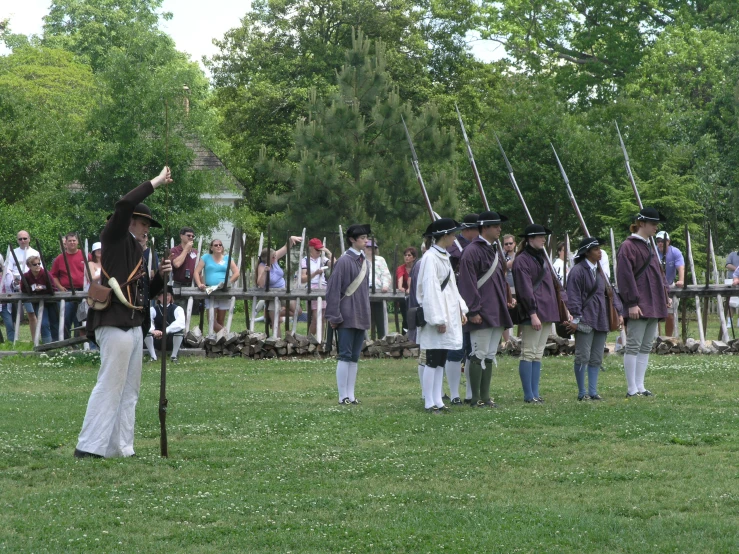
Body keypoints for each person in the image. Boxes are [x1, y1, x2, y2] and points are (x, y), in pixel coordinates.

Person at [74, 166, 172, 459]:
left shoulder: (138, 252)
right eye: (144, 224)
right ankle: (89, 447)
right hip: (113, 323)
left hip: (132, 325)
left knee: (129, 392)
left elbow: (140, 295)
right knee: (109, 386)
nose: (146, 231)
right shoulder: (114, 237)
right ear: (130, 222)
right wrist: (156, 181)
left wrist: (159, 278)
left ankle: (121, 448)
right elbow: (124, 203)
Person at [457, 211, 515, 408]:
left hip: (496, 309)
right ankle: (475, 399)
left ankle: (485, 396)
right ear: (484, 228)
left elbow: (500, 279)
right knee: (478, 354)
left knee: (489, 355)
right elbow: (467, 284)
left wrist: (506, 299)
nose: (499, 229)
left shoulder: (494, 249)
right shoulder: (472, 251)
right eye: (495, 225)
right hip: (481, 311)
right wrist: (473, 311)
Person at [416, 218, 469, 414]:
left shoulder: (443, 256)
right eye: (453, 234)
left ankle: (437, 399)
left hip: (447, 314)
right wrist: (438, 319)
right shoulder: (430, 258)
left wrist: (460, 309)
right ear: (444, 236)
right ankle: (429, 401)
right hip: (437, 317)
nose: (455, 237)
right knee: (432, 359)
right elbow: (430, 291)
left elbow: (452, 288)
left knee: (440, 359)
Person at [617, 207, 670, 398]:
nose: (656, 228)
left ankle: (640, 385)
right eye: (653, 224)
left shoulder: (649, 246)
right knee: (633, 345)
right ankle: (631, 388)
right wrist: (631, 303)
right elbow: (625, 277)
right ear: (642, 224)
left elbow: (658, 275)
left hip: (653, 303)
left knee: (646, 346)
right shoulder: (627, 246)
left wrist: (665, 295)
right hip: (638, 304)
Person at [513, 224, 569, 404]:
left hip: (547, 310)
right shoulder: (522, 260)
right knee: (528, 353)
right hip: (534, 311)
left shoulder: (542, 258)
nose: (543, 239)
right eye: (539, 236)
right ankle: (528, 395)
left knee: (537, 354)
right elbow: (525, 289)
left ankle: (535, 393)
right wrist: (532, 313)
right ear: (530, 239)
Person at [565, 238, 624, 401]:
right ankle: (582, 392)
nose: (600, 252)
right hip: (585, 319)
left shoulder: (600, 271)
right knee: (582, 356)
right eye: (596, 249)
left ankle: (593, 391)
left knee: (596, 357)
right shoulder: (577, 271)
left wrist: (619, 312)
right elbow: (573, 296)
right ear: (586, 252)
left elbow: (611, 293)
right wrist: (577, 317)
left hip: (601, 317)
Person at [325, 224, 372, 405]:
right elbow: (333, 290)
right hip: (346, 314)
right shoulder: (344, 261)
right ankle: (342, 395)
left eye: (366, 238)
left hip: (360, 313)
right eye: (362, 238)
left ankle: (351, 395)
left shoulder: (364, 262)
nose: (365, 241)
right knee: (344, 355)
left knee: (354, 357)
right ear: (353, 240)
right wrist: (334, 316)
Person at [444, 214, 478, 402]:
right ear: (468, 230)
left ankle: (471, 393)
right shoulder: (452, 248)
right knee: (456, 350)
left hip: (474, 302)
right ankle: (455, 393)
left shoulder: (479, 248)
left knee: (472, 350)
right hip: (455, 302)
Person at [256, 235, 302, 336]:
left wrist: (290, 239)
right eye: (273, 257)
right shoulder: (262, 266)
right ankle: (277, 342)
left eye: (275, 256)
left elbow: (285, 248)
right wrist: (264, 272)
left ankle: (271, 315)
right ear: (267, 258)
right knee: (275, 323)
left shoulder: (274, 258)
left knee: (297, 311)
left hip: (283, 291)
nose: (275, 257)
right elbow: (260, 283)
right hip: (271, 295)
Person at [194, 238, 240, 333]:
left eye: (220, 245)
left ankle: (220, 342)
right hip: (210, 289)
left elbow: (236, 273)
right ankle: (228, 335)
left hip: (223, 290)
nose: (218, 246)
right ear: (211, 248)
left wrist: (228, 282)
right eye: (216, 245)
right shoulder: (206, 257)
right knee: (212, 321)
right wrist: (199, 284)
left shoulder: (228, 258)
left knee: (220, 321)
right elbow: (196, 272)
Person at [50, 232, 86, 339]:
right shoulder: (60, 258)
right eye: (70, 241)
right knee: (66, 319)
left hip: (83, 292)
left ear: (78, 242)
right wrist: (60, 287)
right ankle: (66, 343)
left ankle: (82, 342)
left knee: (82, 319)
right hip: (67, 293)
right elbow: (54, 276)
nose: (72, 243)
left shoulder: (85, 255)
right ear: (66, 242)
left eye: (74, 240)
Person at [20, 255, 60, 344]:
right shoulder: (26, 276)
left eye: (39, 263)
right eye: (34, 264)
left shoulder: (46, 274)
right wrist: (33, 289)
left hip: (51, 301)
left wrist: (43, 288)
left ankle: (57, 343)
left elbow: (53, 288)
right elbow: (23, 289)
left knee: (54, 322)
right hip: (38, 302)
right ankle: (47, 344)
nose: (37, 266)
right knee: (43, 323)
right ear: (29, 266)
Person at [9, 230, 40, 341]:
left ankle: (34, 339)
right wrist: (15, 279)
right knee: (12, 313)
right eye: (20, 239)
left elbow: (38, 269)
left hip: (30, 286)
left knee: (32, 313)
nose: (23, 241)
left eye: (25, 238)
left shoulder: (35, 252)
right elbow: (8, 269)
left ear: (29, 239)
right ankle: (13, 340)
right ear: (17, 240)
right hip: (15, 285)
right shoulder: (13, 252)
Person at [300, 238, 333, 336]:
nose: (319, 252)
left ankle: (320, 341)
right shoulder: (305, 260)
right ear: (310, 248)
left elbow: (336, 263)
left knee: (323, 317)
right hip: (312, 288)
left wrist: (327, 252)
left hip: (323, 287)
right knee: (316, 317)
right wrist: (315, 273)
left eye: (320, 250)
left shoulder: (323, 258)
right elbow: (303, 279)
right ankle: (310, 339)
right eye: (317, 249)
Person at [144, 286, 185, 363]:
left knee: (179, 332)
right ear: (158, 297)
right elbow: (147, 321)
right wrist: (153, 331)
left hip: (170, 340)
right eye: (163, 295)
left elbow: (180, 323)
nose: (166, 297)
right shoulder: (152, 310)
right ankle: (153, 356)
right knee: (147, 332)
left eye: (168, 295)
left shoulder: (178, 309)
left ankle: (173, 356)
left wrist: (166, 331)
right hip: (157, 339)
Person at [655, 231, 685, 337]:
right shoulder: (652, 251)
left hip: (669, 285)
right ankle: (654, 339)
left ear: (668, 241)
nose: (660, 243)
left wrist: (681, 280)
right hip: (654, 287)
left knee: (670, 314)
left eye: (662, 241)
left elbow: (680, 267)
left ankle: (667, 339)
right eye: (658, 241)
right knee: (653, 314)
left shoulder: (675, 252)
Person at [364, 238, 391, 339]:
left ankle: (382, 338)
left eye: (373, 248)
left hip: (378, 290)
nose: (371, 249)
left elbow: (386, 274)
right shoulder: (360, 259)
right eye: (368, 247)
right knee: (363, 315)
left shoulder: (380, 260)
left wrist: (385, 286)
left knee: (380, 316)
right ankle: (364, 340)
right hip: (363, 290)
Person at [396, 247, 417, 332]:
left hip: (415, 295)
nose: (406, 257)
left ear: (414, 257)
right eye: (405, 255)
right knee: (405, 316)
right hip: (404, 296)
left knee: (415, 316)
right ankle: (404, 335)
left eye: (409, 255)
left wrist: (410, 289)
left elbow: (411, 279)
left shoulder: (417, 267)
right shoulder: (401, 268)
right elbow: (400, 278)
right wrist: (400, 287)